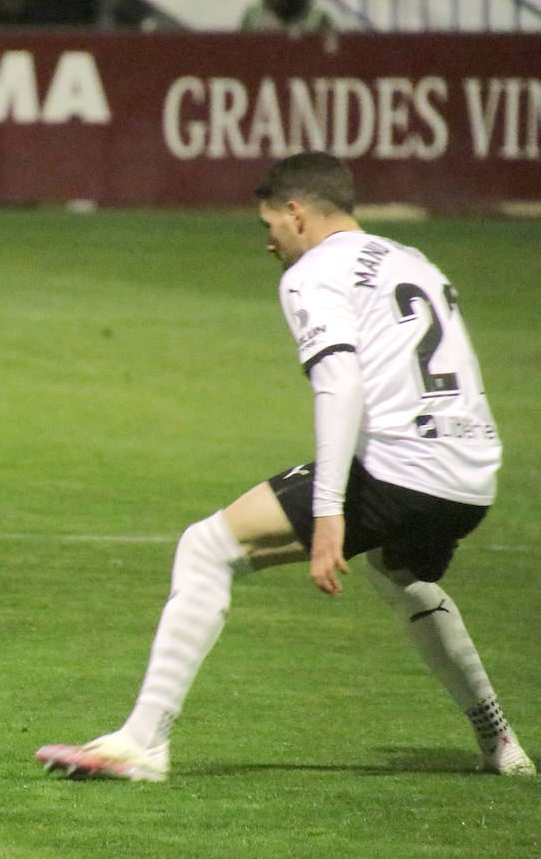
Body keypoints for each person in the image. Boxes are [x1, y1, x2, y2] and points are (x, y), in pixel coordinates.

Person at [36, 151, 533, 782]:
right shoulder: (413, 261)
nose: (268, 244)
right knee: (401, 573)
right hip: (470, 476)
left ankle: (143, 743)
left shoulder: (314, 272)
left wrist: (329, 510)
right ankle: (500, 741)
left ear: (296, 213)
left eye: (268, 225)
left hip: (402, 468)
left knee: (207, 547)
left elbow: (340, 385)